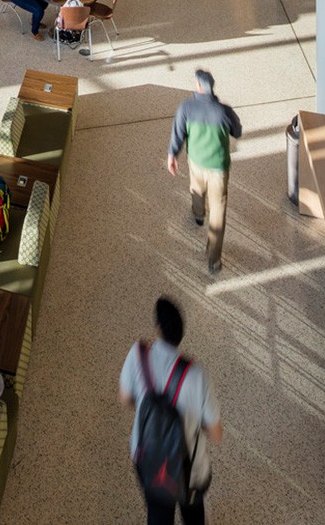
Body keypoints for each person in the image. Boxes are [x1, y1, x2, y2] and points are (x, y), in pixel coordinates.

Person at [119, 296, 223, 525]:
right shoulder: (196, 375)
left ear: (158, 328)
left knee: (158, 512)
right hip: (189, 470)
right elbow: (216, 435)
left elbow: (125, 398)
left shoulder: (138, 354)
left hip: (147, 455)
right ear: (181, 334)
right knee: (193, 514)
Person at [166, 69, 242, 273]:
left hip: (196, 162)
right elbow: (238, 131)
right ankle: (214, 259)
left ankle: (198, 215)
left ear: (198, 87)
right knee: (218, 210)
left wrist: (172, 155)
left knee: (196, 190)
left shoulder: (186, 108)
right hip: (218, 167)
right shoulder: (224, 111)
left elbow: (178, 134)